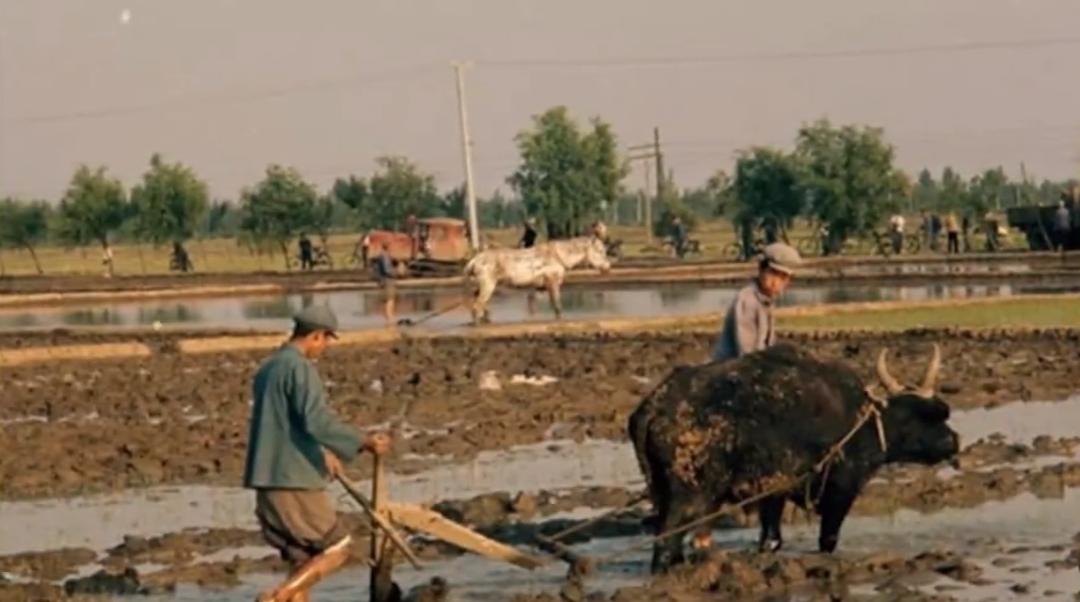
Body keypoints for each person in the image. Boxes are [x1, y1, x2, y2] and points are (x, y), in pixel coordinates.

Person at [244, 305, 392, 602]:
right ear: (315, 336)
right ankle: (275, 598)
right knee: (338, 548)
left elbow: (286, 424)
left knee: (303, 563)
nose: (324, 347)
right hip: (293, 480)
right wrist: (363, 441)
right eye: (325, 340)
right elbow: (317, 421)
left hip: (266, 478)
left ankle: (288, 594)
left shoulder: (269, 368)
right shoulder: (300, 369)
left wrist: (321, 453)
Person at [712, 243, 801, 361]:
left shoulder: (766, 301)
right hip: (731, 367)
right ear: (761, 270)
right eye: (773, 274)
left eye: (783, 277)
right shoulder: (748, 301)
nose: (776, 282)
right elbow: (747, 354)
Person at [375, 243, 396, 324]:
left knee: (387, 299)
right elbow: (387, 270)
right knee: (390, 299)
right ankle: (389, 318)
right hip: (387, 280)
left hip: (383, 280)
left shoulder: (381, 255)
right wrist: (395, 273)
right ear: (388, 247)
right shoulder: (385, 256)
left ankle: (388, 318)